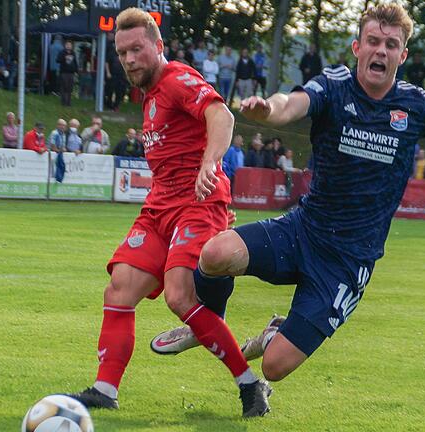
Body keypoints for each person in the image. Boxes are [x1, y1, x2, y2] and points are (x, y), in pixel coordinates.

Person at [150, 5, 425, 391]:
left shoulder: (416, 105)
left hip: (347, 263)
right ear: (357, 47)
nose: (380, 51)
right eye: (373, 41)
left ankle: (271, 336)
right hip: (304, 229)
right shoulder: (334, 86)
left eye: (391, 44)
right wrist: (269, 111)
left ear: (403, 56)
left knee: (274, 367)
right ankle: (209, 322)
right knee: (214, 255)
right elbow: (292, 103)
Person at [66, 8, 272, 417]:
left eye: (136, 49)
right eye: (122, 52)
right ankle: (105, 390)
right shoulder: (149, 95)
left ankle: (250, 387)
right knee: (119, 288)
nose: (128, 59)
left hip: (197, 205)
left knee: (180, 297)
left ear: (158, 47)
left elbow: (221, 115)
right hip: (160, 208)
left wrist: (210, 163)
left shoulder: (177, 79)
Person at [57, 41, 78, 106]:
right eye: (67, 45)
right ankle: (63, 102)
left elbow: (75, 62)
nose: (69, 46)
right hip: (64, 72)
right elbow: (57, 60)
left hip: (71, 73)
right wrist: (64, 58)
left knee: (70, 88)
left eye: (70, 45)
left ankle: (68, 102)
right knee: (64, 87)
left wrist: (76, 71)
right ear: (65, 45)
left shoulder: (73, 53)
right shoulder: (62, 52)